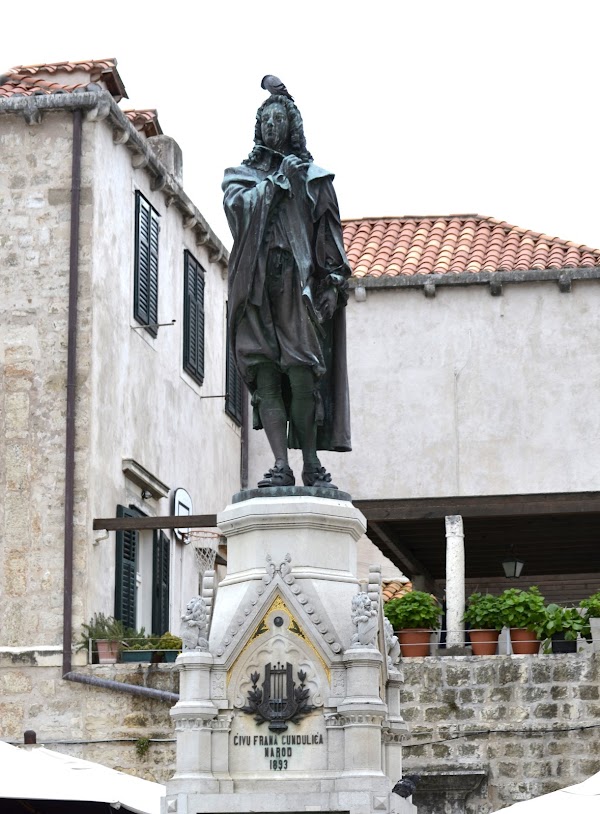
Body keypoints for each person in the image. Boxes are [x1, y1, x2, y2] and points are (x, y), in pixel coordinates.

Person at [223, 85, 351, 489]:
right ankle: (281, 463)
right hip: (256, 284)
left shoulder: (315, 180)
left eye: (279, 119)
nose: (272, 126)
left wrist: (332, 282)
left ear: (292, 126)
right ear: (257, 128)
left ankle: (310, 462)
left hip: (298, 286)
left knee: (301, 372)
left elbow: (329, 235)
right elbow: (238, 211)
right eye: (266, 120)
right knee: (264, 374)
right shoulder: (240, 178)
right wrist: (279, 183)